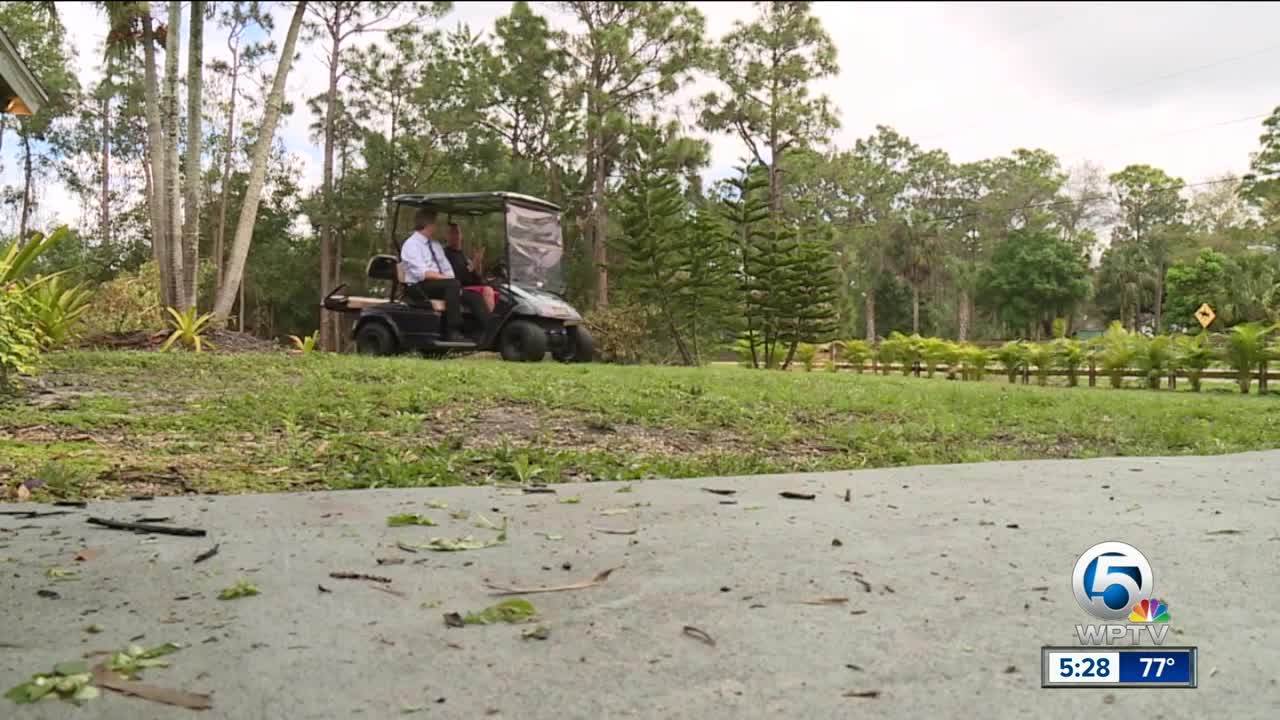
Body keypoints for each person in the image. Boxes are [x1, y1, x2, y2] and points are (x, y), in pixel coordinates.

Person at [400, 208, 489, 342]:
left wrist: (451, 279)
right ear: (428, 224)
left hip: (439, 285)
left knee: (474, 296)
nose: (436, 227)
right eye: (435, 223)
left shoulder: (435, 245)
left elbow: (447, 270)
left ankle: (487, 330)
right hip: (418, 287)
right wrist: (450, 280)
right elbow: (423, 273)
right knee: (452, 284)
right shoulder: (411, 245)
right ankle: (452, 331)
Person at [444, 223, 497, 312]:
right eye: (452, 233)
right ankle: (489, 322)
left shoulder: (463, 255)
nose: (455, 236)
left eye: (457, 233)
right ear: (446, 236)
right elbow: (456, 278)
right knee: (487, 291)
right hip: (457, 290)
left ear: (461, 235)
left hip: (470, 288)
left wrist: (478, 266)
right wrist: (473, 265)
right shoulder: (445, 255)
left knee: (498, 289)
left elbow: (477, 280)